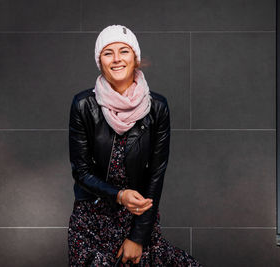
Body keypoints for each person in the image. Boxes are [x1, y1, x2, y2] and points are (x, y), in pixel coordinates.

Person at [67, 25, 202, 266]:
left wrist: (138, 237)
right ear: (100, 61)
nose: (117, 59)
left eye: (124, 51)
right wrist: (119, 195)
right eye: (108, 53)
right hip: (92, 220)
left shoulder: (157, 107)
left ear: (135, 58)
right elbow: (81, 171)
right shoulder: (83, 105)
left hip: (137, 216)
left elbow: (156, 174)